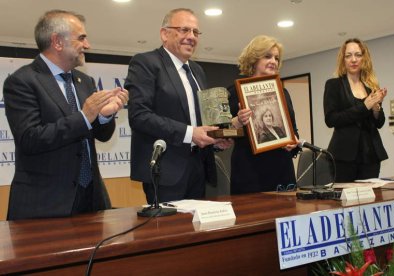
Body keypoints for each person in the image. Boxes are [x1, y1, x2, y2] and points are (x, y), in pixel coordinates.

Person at [3, 10, 128, 220]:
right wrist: (85, 116)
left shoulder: (84, 82)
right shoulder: (22, 81)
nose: (87, 45)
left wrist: (104, 116)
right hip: (45, 204)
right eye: (81, 38)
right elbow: (30, 139)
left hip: (92, 198)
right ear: (57, 42)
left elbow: (102, 135)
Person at [125, 8, 231, 204]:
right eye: (184, 30)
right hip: (166, 172)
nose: (191, 37)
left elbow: (198, 121)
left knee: (196, 233)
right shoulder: (146, 62)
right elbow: (139, 115)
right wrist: (191, 134)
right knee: (168, 233)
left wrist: (213, 139)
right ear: (164, 34)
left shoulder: (197, 71)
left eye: (195, 32)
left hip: (198, 168)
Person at [228, 35, 300, 194]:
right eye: (267, 56)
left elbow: (293, 131)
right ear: (254, 59)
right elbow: (222, 135)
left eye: (276, 58)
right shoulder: (235, 92)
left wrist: (293, 142)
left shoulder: (283, 92)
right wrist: (238, 120)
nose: (273, 61)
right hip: (250, 174)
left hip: (283, 172)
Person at [323, 38, 388, 182]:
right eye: (349, 55)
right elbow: (331, 119)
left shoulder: (371, 87)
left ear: (364, 58)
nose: (353, 59)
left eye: (358, 55)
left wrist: (376, 108)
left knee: (370, 201)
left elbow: (379, 123)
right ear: (343, 59)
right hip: (343, 157)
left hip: (371, 156)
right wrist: (365, 106)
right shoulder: (333, 85)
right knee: (346, 202)